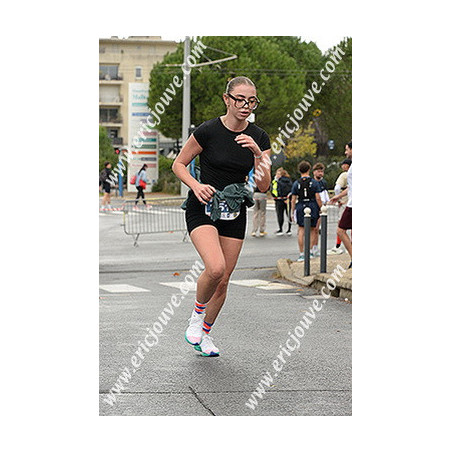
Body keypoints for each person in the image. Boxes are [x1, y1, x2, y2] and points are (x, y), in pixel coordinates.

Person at [173, 76, 271, 357]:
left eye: (251, 101)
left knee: (224, 279)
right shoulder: (208, 131)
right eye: (240, 99)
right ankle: (196, 317)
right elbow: (178, 164)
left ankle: (205, 334)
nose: (246, 105)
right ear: (227, 99)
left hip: (234, 208)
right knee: (215, 268)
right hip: (203, 205)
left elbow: (264, 185)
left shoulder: (260, 137)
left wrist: (257, 154)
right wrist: (195, 185)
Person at [290, 161, 322, 262]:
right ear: (309, 170)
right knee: (312, 229)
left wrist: (292, 211)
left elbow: (293, 199)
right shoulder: (314, 182)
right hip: (312, 205)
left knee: (301, 229)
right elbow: (318, 197)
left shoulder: (296, 183)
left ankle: (301, 253)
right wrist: (321, 207)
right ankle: (311, 251)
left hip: (300, 205)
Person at [330, 141, 352, 267]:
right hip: (350, 202)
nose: (345, 152)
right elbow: (350, 187)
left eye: (347, 149)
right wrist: (337, 197)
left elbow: (340, 187)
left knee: (340, 230)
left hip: (352, 204)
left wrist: (339, 197)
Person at [328, 158, 351, 255]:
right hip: (349, 201)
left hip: (346, 203)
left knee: (341, 227)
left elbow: (337, 188)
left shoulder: (345, 175)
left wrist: (339, 198)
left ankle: (338, 246)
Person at [311, 162, 329, 256]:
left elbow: (325, 196)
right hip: (312, 206)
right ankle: (310, 247)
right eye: (318, 171)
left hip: (321, 208)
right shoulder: (311, 182)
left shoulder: (323, 183)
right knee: (311, 229)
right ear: (314, 172)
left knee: (316, 229)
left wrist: (324, 206)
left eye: (322, 172)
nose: (320, 173)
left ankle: (315, 247)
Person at [271, 168, 292, 236]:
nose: (276, 175)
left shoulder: (278, 182)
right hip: (287, 200)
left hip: (279, 200)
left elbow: (276, 190)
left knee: (280, 215)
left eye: (278, 174)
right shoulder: (289, 181)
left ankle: (281, 229)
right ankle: (289, 229)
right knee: (288, 214)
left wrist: (275, 197)